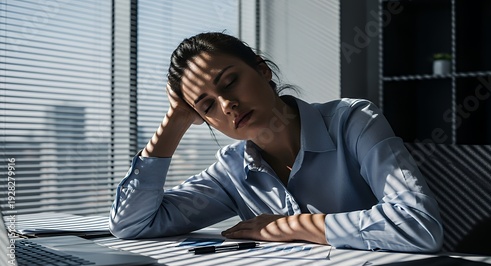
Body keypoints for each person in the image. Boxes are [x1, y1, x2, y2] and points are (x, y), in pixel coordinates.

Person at [109, 32, 443, 253]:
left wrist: (292, 226)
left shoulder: (352, 121)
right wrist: (176, 120)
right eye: (207, 105)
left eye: (230, 82)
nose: (227, 105)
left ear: (262, 70)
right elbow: (132, 224)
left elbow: (419, 225)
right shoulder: (231, 171)